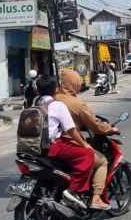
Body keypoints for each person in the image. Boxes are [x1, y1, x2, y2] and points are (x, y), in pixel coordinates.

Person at [35, 76, 103, 209]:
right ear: (56, 89)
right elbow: (71, 130)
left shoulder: (35, 103)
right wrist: (85, 145)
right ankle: (73, 190)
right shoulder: (57, 105)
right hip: (52, 147)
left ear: (38, 90)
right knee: (87, 155)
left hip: (33, 146)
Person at [55, 68, 117, 210]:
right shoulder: (76, 103)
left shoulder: (54, 97)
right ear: (75, 83)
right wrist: (110, 129)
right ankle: (95, 198)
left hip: (51, 144)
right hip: (68, 143)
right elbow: (94, 124)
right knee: (102, 161)